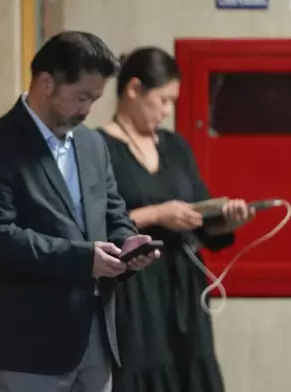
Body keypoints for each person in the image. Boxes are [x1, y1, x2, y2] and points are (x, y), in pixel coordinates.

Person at [0, 31, 160, 392]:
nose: (87, 110)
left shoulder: (92, 143)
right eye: (81, 97)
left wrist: (129, 244)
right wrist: (84, 259)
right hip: (28, 346)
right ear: (47, 83)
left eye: (95, 99)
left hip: (97, 338)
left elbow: (113, 212)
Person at [97, 47, 254, 392]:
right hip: (134, 290)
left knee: (190, 370)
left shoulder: (175, 146)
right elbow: (91, 225)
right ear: (134, 89)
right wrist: (157, 214)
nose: (167, 112)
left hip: (182, 286)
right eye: (163, 100)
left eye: (173, 102)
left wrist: (225, 221)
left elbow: (199, 213)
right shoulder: (98, 147)